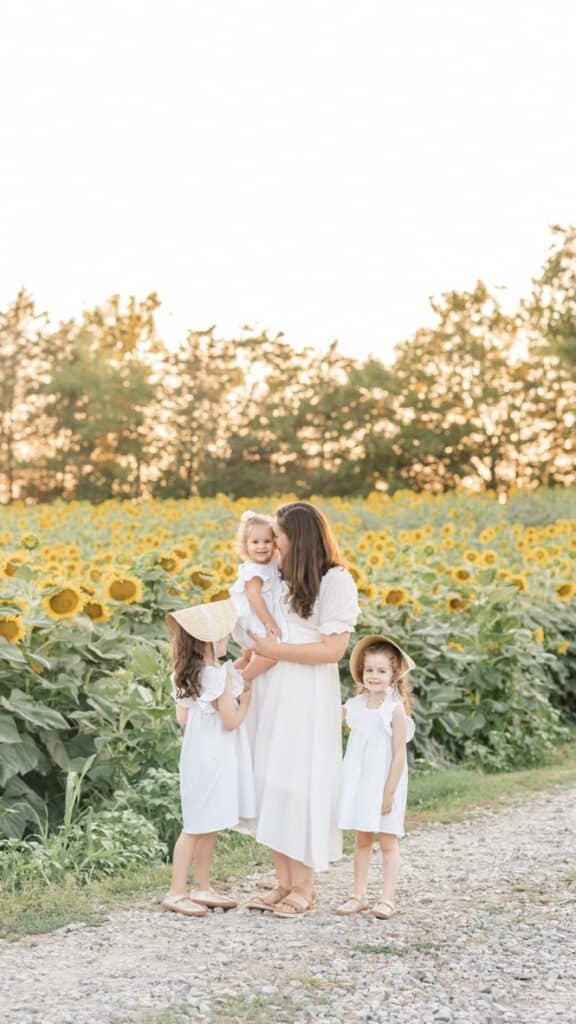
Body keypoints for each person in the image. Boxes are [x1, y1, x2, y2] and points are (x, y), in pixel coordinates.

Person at [245, 501, 360, 918]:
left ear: (300, 538)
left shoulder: (336, 580)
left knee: (301, 780)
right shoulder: (281, 577)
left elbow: (332, 649)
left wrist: (278, 649)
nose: (274, 542)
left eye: (280, 535)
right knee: (271, 779)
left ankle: (305, 886)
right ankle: (283, 881)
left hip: (307, 689)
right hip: (274, 684)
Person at [161, 599, 256, 917]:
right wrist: (247, 700)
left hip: (196, 755)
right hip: (217, 755)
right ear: (213, 639)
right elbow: (230, 721)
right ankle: (177, 891)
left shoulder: (185, 674)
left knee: (205, 820)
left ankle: (202, 887)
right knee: (197, 826)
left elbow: (184, 719)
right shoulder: (218, 676)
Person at [335, 635, 415, 920]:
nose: (374, 676)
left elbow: (398, 756)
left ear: (394, 675)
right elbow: (326, 718)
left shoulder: (393, 711)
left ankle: (387, 898)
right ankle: (358, 894)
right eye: (369, 670)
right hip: (360, 784)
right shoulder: (354, 706)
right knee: (362, 839)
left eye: (381, 671)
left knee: (388, 841)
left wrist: (389, 793)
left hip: (384, 785)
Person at [229, 509, 287, 683]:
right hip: (256, 617)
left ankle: (227, 678)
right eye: (255, 542)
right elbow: (254, 597)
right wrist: (269, 622)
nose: (261, 546)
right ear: (245, 545)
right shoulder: (254, 570)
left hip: (257, 615)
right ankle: (242, 682)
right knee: (270, 654)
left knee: (248, 656)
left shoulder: (270, 561)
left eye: (267, 541)